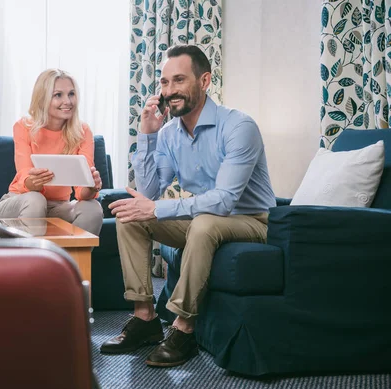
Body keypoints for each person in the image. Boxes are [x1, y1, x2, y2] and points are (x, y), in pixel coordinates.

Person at [100, 45, 276, 368]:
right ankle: (145, 318)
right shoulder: (168, 134)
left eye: (178, 80)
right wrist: (147, 137)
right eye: (165, 83)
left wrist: (157, 209)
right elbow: (150, 192)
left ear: (204, 80)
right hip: (203, 222)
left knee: (204, 223)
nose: (169, 91)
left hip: (252, 221)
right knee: (129, 215)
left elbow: (224, 200)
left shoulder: (239, 127)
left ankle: (183, 328)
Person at [0, 69, 104, 236]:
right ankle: (35, 261)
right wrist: (35, 181)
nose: (67, 101)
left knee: (92, 208)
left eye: (71, 94)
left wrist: (91, 187)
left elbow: (82, 191)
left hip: (58, 207)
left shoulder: (82, 131)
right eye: (58, 95)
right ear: (43, 98)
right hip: (19, 202)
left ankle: (72, 262)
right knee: (36, 200)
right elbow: (24, 177)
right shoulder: (24, 127)